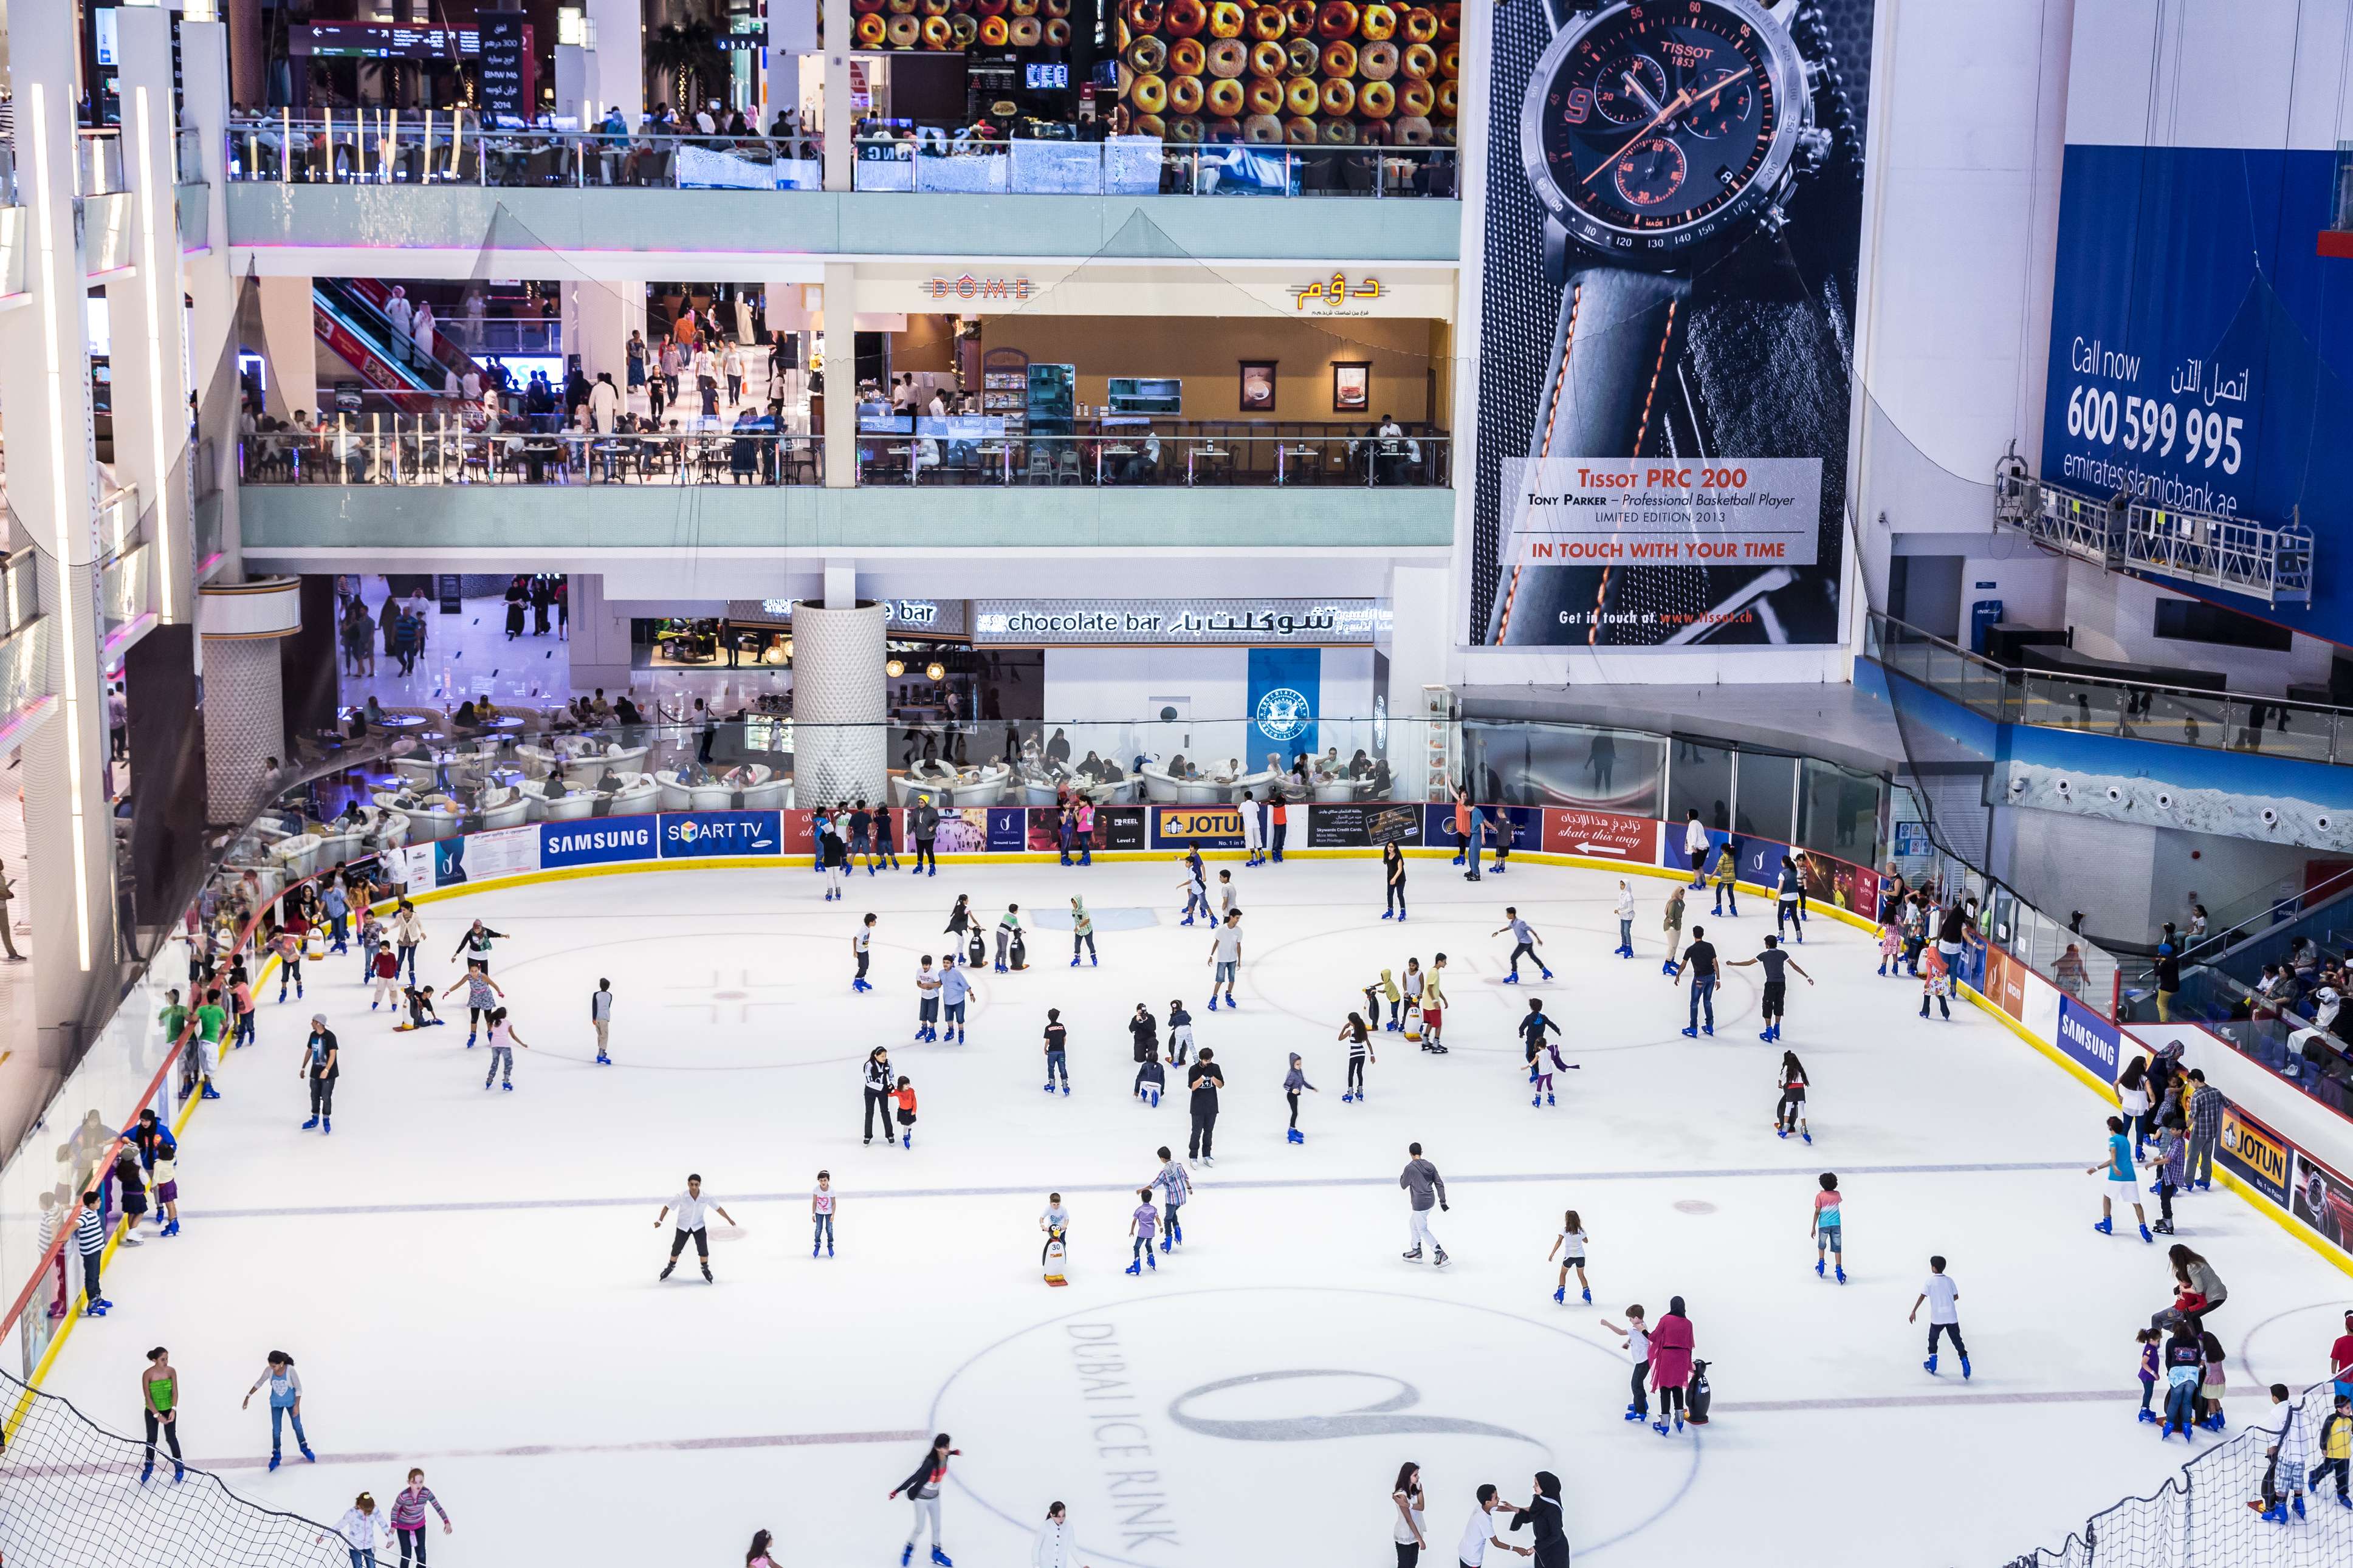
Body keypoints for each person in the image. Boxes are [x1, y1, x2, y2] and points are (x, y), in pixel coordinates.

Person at [890, 1434, 961, 1567]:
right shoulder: (929, 1463)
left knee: (937, 1528)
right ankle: (908, 1549)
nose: (948, 1449)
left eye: (948, 1446)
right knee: (920, 1528)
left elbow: (948, 1453)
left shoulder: (945, 1456)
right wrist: (897, 1491)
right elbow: (915, 1477)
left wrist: (954, 1453)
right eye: (946, 1447)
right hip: (921, 1499)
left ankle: (936, 1553)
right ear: (937, 1448)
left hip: (935, 1498)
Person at [1726, 934, 1813, 1043]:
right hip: (1782, 983)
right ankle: (1777, 1028)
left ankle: (1769, 1031)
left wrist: (1734, 964)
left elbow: (1748, 963)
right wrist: (1807, 976)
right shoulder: (1783, 954)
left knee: (1767, 1005)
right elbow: (1794, 966)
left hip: (1771, 983)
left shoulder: (1764, 955)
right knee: (1779, 1003)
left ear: (1767, 945)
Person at [656, 1175, 735, 1282]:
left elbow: (718, 1208)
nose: (693, 1187)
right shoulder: (681, 1196)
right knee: (676, 1249)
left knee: (703, 1249)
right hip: (683, 1227)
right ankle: (670, 1267)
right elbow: (667, 1207)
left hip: (699, 1226)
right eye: (691, 1184)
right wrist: (660, 1221)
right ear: (688, 1184)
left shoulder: (706, 1197)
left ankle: (705, 1269)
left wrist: (729, 1219)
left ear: (700, 1185)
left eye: (696, 1185)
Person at [2089, 1115, 2154, 1244]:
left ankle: (2107, 1223)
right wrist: (2097, 1168)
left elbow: (2113, 1154)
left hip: (2116, 1177)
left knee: (2107, 1198)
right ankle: (2144, 1229)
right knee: (2136, 1203)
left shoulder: (2113, 1139)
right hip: (2130, 1176)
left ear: (2111, 1128)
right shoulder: (2125, 1140)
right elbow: (2117, 1158)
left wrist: (2115, 1167)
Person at [242, 1351, 313, 1468]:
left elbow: (299, 1388)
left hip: (291, 1404)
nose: (272, 1368)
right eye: (270, 1366)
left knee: (297, 1426)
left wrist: (297, 1406)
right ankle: (276, 1455)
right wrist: (248, 1396)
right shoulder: (269, 1371)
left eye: (274, 1366)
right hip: (276, 1404)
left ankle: (305, 1449)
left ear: (281, 1363)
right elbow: (260, 1383)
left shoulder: (290, 1370)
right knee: (276, 1430)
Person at [2252, 1382, 2310, 1522]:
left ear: (2275, 1398)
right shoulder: (2295, 1407)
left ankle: (2280, 1511)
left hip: (2288, 1451)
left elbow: (2275, 1436)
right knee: (2297, 1478)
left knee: (2281, 1481)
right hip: (2302, 1450)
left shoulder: (2276, 1412)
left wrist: (2272, 1450)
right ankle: (2299, 1506)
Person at [1912, 1255, 1970, 1378]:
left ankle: (1932, 1363)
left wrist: (1914, 1311)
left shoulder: (1930, 1282)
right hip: (1951, 1317)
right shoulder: (1949, 1281)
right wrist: (1946, 1301)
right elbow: (1956, 1296)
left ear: (1934, 1268)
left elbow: (1923, 1296)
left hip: (1937, 1318)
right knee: (1957, 1340)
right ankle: (1965, 1362)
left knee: (1933, 1339)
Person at [1647, 1296, 1695, 1435]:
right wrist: (1689, 1362)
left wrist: (1643, 1330)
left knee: (1665, 1388)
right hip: (1682, 1357)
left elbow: (1654, 1337)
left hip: (1668, 1357)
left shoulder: (1666, 1319)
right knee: (1677, 1387)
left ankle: (1664, 1422)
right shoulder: (1688, 1324)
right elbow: (1690, 1344)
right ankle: (1680, 1420)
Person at [389, 1468, 453, 1567]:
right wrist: (393, 1525)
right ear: (409, 1482)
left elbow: (438, 1507)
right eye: (414, 1482)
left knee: (422, 1555)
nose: (418, 1485)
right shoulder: (403, 1496)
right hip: (403, 1528)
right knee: (406, 1556)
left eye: (421, 1482)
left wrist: (446, 1522)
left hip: (419, 1526)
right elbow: (395, 1510)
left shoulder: (426, 1493)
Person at [1504, 1473, 1569, 1568]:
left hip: (1556, 1550)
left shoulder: (1553, 1510)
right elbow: (1531, 1514)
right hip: (1542, 1547)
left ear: (1545, 1486)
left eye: (1537, 1484)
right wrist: (1514, 1509)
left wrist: (1536, 1548)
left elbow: (1556, 1535)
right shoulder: (1540, 1499)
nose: (1533, 1487)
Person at [140, 1346, 184, 1484]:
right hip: (152, 1411)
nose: (166, 1362)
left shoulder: (171, 1371)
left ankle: (179, 1465)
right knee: (152, 1439)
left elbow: (175, 1392)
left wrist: (173, 1409)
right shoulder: (148, 1374)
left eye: (167, 1359)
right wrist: (156, 1414)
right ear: (155, 1360)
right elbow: (147, 1396)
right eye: (163, 1359)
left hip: (168, 1410)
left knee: (171, 1437)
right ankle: (148, 1467)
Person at [1400, 1142, 1449, 1266]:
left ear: (1410, 1153)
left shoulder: (1410, 1168)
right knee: (1413, 1223)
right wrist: (1442, 1201)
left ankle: (1439, 1252)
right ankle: (1416, 1250)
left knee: (1422, 1229)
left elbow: (1403, 1185)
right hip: (1430, 1201)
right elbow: (1439, 1183)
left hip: (1419, 1203)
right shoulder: (1430, 1166)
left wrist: (1405, 1174)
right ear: (1421, 1152)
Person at [1462, 1483, 1533, 1566]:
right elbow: (1497, 1543)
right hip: (1471, 1559)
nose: (1499, 1498)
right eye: (1496, 1498)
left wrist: (1522, 1509)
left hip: (1465, 1550)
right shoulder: (1483, 1520)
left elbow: (1501, 1508)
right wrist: (1517, 1549)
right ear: (1488, 1502)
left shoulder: (1481, 1507)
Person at [1674, 924, 1719, 1036]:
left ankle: (1693, 1028)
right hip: (1711, 977)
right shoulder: (1710, 946)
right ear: (1702, 934)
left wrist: (1678, 975)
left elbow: (1683, 965)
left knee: (1694, 1003)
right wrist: (1718, 978)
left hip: (1700, 979)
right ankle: (1709, 1026)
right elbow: (1715, 963)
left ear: (1694, 935)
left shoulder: (1691, 949)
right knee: (1707, 1001)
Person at [73, 1189, 109, 1317]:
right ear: (91, 1204)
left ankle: (98, 1297)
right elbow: (76, 1224)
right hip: (90, 1252)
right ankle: (92, 1304)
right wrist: (65, 1236)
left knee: (96, 1275)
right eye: (98, 1201)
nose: (100, 1203)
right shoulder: (85, 1215)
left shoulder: (92, 1212)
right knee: (91, 1277)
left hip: (96, 1249)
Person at [299, 1016, 338, 1134]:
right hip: (315, 1072)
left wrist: (326, 1070)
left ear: (318, 1024)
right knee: (314, 1095)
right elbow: (310, 1051)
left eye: (313, 1021)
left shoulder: (330, 1037)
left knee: (326, 1097)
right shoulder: (313, 1035)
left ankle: (326, 1119)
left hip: (329, 1074)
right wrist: (303, 1067)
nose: (311, 1023)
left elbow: (332, 1055)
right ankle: (315, 1118)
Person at [1187, 1049, 1224, 1165]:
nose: (1208, 1062)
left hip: (1211, 1106)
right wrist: (1203, 1077)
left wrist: (1212, 1076)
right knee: (1196, 1132)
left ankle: (1207, 1155)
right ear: (1201, 1059)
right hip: (1197, 1107)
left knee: (1209, 1131)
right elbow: (1193, 1087)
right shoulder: (1194, 1069)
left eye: (1210, 1060)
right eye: (1206, 1060)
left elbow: (1220, 1085)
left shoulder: (1215, 1068)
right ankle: (1193, 1156)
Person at [1495, 907, 1551, 982]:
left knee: (1513, 958)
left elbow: (1530, 929)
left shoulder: (1520, 923)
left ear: (1512, 914)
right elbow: (1509, 928)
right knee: (1533, 957)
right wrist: (1499, 932)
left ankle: (1514, 976)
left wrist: (1538, 939)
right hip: (1528, 943)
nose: (1507, 916)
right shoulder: (1513, 923)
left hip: (1524, 943)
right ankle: (1546, 972)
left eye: (1508, 914)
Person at [480, 1006, 529, 1091]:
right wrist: (522, 1044)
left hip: (495, 1045)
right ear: (505, 1015)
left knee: (495, 1063)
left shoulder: (493, 1022)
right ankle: (506, 1081)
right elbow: (513, 1036)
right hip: (505, 1045)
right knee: (508, 1063)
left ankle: (489, 1079)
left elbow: (490, 1032)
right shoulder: (507, 1023)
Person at [1548, 1210, 1590, 1306]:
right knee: (1581, 1275)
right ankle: (1587, 1294)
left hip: (1569, 1257)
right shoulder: (1581, 1230)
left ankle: (1560, 1294)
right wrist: (1579, 1236)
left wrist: (1552, 1253)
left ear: (1567, 1220)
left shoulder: (1564, 1230)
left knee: (1563, 1274)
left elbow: (1559, 1241)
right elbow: (1586, 1241)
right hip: (1581, 1257)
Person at [1152, 1146, 1190, 1249]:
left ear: (1163, 1159)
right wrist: (1189, 1187)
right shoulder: (1179, 1166)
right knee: (1173, 1214)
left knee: (1167, 1219)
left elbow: (1154, 1184)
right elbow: (1186, 1177)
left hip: (1171, 1200)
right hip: (1181, 1198)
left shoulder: (1164, 1173)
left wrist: (1141, 1190)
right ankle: (1178, 1234)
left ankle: (1168, 1243)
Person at [1392, 1461, 1428, 1567]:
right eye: (1415, 1475)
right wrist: (1420, 1540)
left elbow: (1421, 1507)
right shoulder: (1400, 1495)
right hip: (1405, 1533)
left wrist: (1408, 1505)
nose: (1418, 1477)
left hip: (1416, 1531)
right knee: (1404, 1565)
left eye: (1418, 1474)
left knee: (1413, 1563)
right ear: (1408, 1476)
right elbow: (1409, 1520)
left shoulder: (1418, 1486)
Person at [337, 1494, 390, 1567]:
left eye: (370, 1511)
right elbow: (339, 1525)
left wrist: (390, 1536)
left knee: (372, 1566)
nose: (369, 1513)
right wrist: (324, 1536)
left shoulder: (374, 1509)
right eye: (366, 1511)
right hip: (354, 1546)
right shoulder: (352, 1513)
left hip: (369, 1545)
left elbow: (382, 1522)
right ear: (359, 1506)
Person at [1812, 1172, 1846, 1284]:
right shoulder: (1837, 1194)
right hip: (1836, 1224)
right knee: (1837, 1247)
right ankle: (1839, 1271)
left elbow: (1817, 1212)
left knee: (1822, 1245)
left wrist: (1813, 1227)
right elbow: (1835, 1198)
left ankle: (1821, 1266)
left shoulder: (1820, 1196)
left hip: (1824, 1225)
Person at [1207, 910, 1243, 1010]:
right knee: (1220, 980)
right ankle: (1213, 999)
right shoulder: (1222, 930)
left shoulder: (1239, 931)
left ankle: (1228, 996)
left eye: (1239, 919)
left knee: (1232, 979)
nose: (1237, 920)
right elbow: (1216, 943)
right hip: (1222, 959)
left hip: (1232, 959)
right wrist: (1211, 956)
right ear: (1231, 917)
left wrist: (1239, 960)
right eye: (1237, 918)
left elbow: (1239, 946)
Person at [1774, 1050, 1810, 1142]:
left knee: (1788, 1109)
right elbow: (1803, 1079)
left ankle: (1785, 1129)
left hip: (1791, 1090)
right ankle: (1804, 1129)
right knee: (1802, 1110)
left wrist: (1780, 1084)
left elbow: (1782, 1079)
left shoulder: (1787, 1067)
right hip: (1801, 1090)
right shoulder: (1799, 1068)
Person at [1282, 1052, 1318, 1145]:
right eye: (1297, 1064)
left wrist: (1312, 1088)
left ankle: (1293, 1130)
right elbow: (1285, 1085)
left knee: (1296, 1113)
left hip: (1296, 1095)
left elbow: (1304, 1082)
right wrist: (1292, 1090)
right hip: (1291, 1096)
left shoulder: (1300, 1071)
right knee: (1295, 1113)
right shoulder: (1291, 1073)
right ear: (1293, 1064)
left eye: (1300, 1064)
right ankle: (1291, 1133)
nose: (1299, 1066)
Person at [1339, 1012, 1374, 1103]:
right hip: (1362, 1054)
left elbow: (1340, 1038)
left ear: (1352, 1022)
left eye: (1349, 1021)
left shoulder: (1350, 1032)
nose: (1349, 1023)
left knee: (1351, 1073)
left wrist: (1344, 1028)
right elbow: (1368, 1043)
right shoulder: (1362, 1030)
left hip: (1354, 1055)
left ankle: (1350, 1093)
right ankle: (1360, 1092)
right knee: (1359, 1072)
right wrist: (1372, 1055)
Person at [864, 1047, 897, 1143]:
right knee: (869, 1113)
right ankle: (868, 1136)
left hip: (883, 1092)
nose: (884, 1058)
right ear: (876, 1056)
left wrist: (892, 1085)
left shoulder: (888, 1063)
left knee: (885, 1112)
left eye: (885, 1056)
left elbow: (892, 1076)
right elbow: (869, 1082)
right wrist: (884, 1087)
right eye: (882, 1056)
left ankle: (890, 1135)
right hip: (870, 1092)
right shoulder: (869, 1065)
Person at [1125, 1186, 1160, 1275]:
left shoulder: (1139, 1210)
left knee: (1137, 1247)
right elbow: (1157, 1218)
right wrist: (1160, 1226)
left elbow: (1134, 1222)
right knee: (1148, 1245)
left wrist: (1132, 1231)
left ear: (1142, 1198)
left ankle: (1137, 1265)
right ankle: (1151, 1260)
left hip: (1142, 1232)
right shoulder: (1153, 1209)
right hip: (1151, 1232)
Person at [939, 956, 972, 1044]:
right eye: (944, 962)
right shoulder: (941, 973)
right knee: (949, 1018)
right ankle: (951, 1032)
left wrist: (971, 993)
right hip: (947, 1000)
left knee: (960, 1018)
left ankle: (961, 1033)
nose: (945, 964)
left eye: (948, 963)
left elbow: (964, 983)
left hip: (959, 1000)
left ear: (952, 964)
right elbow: (938, 984)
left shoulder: (956, 973)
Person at [1042, 1008, 1070, 1094]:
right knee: (1062, 1068)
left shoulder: (1048, 1028)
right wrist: (1061, 1047)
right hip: (1061, 1051)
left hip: (1052, 1053)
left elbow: (1048, 1041)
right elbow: (1064, 1039)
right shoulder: (1061, 1026)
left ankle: (1052, 1085)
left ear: (1049, 1017)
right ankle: (1065, 1086)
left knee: (1051, 1068)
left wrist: (1045, 1048)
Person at [912, 795, 940, 876]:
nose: (920, 804)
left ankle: (932, 868)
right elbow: (912, 823)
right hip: (919, 836)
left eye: (922, 803)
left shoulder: (931, 811)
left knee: (929, 851)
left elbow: (937, 820)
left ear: (926, 803)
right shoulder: (916, 811)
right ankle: (920, 866)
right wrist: (908, 832)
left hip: (929, 836)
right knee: (920, 852)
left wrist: (933, 827)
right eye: (919, 803)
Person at [589, 977, 615, 1066]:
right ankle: (601, 1053)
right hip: (604, 1018)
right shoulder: (610, 996)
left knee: (600, 1035)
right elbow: (608, 1006)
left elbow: (594, 1006)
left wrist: (593, 1018)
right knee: (604, 1036)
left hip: (597, 1018)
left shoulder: (596, 994)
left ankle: (601, 1051)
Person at [1380, 839, 1407, 920]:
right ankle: (1390, 911)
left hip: (1400, 879)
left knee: (1400, 895)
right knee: (1389, 894)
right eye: (1389, 846)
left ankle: (1403, 912)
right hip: (1391, 879)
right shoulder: (1387, 855)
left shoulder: (1398, 857)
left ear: (1395, 848)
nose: (1390, 848)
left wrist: (1394, 878)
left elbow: (1400, 869)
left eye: (1392, 847)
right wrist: (1391, 879)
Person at [812, 1169, 836, 1258]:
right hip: (819, 1213)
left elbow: (834, 1203)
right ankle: (817, 1245)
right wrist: (813, 1214)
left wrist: (833, 1215)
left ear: (828, 1180)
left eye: (825, 1180)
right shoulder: (816, 1190)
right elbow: (814, 1202)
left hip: (829, 1213)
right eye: (821, 1180)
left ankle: (830, 1245)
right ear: (819, 1180)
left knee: (829, 1229)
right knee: (818, 1229)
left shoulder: (832, 1190)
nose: (823, 1182)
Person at [1682, 809, 1710, 886]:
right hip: (1705, 847)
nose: (1687, 815)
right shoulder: (1699, 823)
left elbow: (1694, 835)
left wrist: (1693, 846)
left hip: (1699, 848)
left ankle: (1698, 884)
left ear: (1691, 815)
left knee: (1695, 867)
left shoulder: (1692, 824)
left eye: (1688, 813)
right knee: (1700, 866)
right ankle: (1703, 882)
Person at [853, 912, 878, 994]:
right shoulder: (863, 929)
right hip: (860, 951)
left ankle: (861, 981)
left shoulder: (868, 928)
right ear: (870, 922)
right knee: (863, 967)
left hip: (865, 949)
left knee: (866, 966)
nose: (875, 922)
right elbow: (855, 938)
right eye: (874, 921)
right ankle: (856, 983)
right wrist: (855, 951)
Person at [1070, 896, 1097, 968]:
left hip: (1087, 931)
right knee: (1077, 944)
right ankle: (1077, 958)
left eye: (1074, 902)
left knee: (1090, 944)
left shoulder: (1084, 911)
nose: (1073, 904)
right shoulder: (1073, 911)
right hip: (1079, 932)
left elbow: (1087, 920)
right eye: (1072, 902)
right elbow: (1077, 920)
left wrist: (1078, 927)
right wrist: (1077, 928)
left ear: (1078, 902)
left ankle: (1093, 956)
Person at [895, 1074, 919, 1148]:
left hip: (910, 1111)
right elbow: (890, 1095)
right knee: (905, 1126)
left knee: (910, 1124)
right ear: (901, 1085)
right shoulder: (898, 1091)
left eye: (909, 1083)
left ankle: (909, 1130)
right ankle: (906, 1139)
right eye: (906, 1084)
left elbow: (914, 1101)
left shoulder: (911, 1091)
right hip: (903, 1111)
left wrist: (914, 1110)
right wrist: (890, 1088)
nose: (908, 1085)